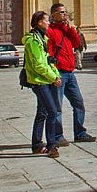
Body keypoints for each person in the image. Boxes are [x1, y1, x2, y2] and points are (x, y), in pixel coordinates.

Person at [47, 3, 96, 144]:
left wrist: (70, 29)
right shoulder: (50, 31)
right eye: (61, 12)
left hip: (70, 73)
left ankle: (80, 132)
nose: (65, 14)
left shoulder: (67, 30)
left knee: (78, 103)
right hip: (59, 73)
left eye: (65, 12)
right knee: (57, 107)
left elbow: (76, 44)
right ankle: (58, 136)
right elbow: (49, 53)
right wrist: (54, 73)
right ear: (53, 15)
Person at [22, 10, 63, 158]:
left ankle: (37, 145)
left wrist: (55, 74)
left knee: (42, 113)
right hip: (40, 82)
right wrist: (54, 78)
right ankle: (52, 146)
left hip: (45, 80)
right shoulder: (33, 40)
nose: (49, 22)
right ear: (39, 22)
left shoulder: (41, 38)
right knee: (52, 112)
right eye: (47, 20)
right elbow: (39, 64)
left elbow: (47, 60)